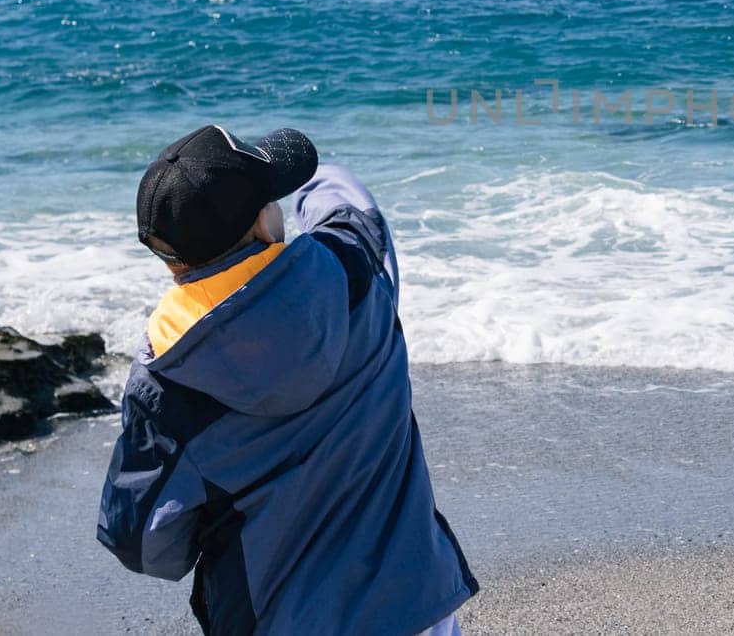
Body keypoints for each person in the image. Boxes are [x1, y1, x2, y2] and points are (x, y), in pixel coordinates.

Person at [97, 125, 477, 636]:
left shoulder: (166, 385)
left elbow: (144, 544)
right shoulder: (353, 271)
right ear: (262, 222)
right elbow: (352, 206)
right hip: (411, 606)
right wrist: (305, 182)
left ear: (172, 260)